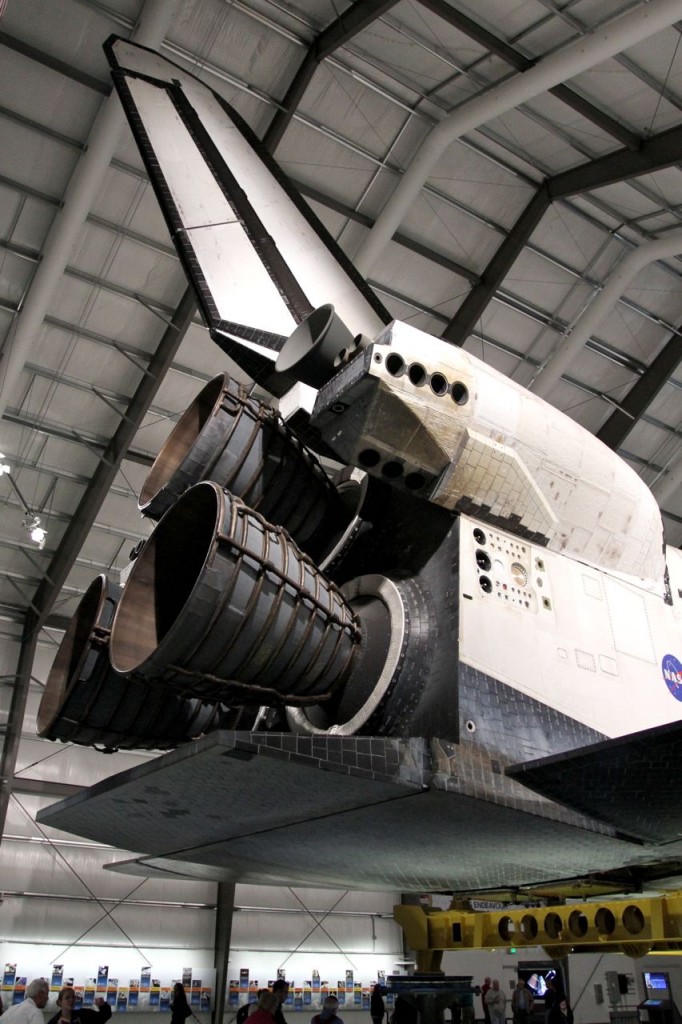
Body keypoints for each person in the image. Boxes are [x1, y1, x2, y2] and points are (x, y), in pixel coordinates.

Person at [47, 987, 112, 1024]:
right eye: (67, 998)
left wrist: (103, 1005)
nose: (71, 1000)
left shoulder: (84, 1014)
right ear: (60, 1002)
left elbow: (104, 1016)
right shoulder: (54, 1022)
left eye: (73, 997)